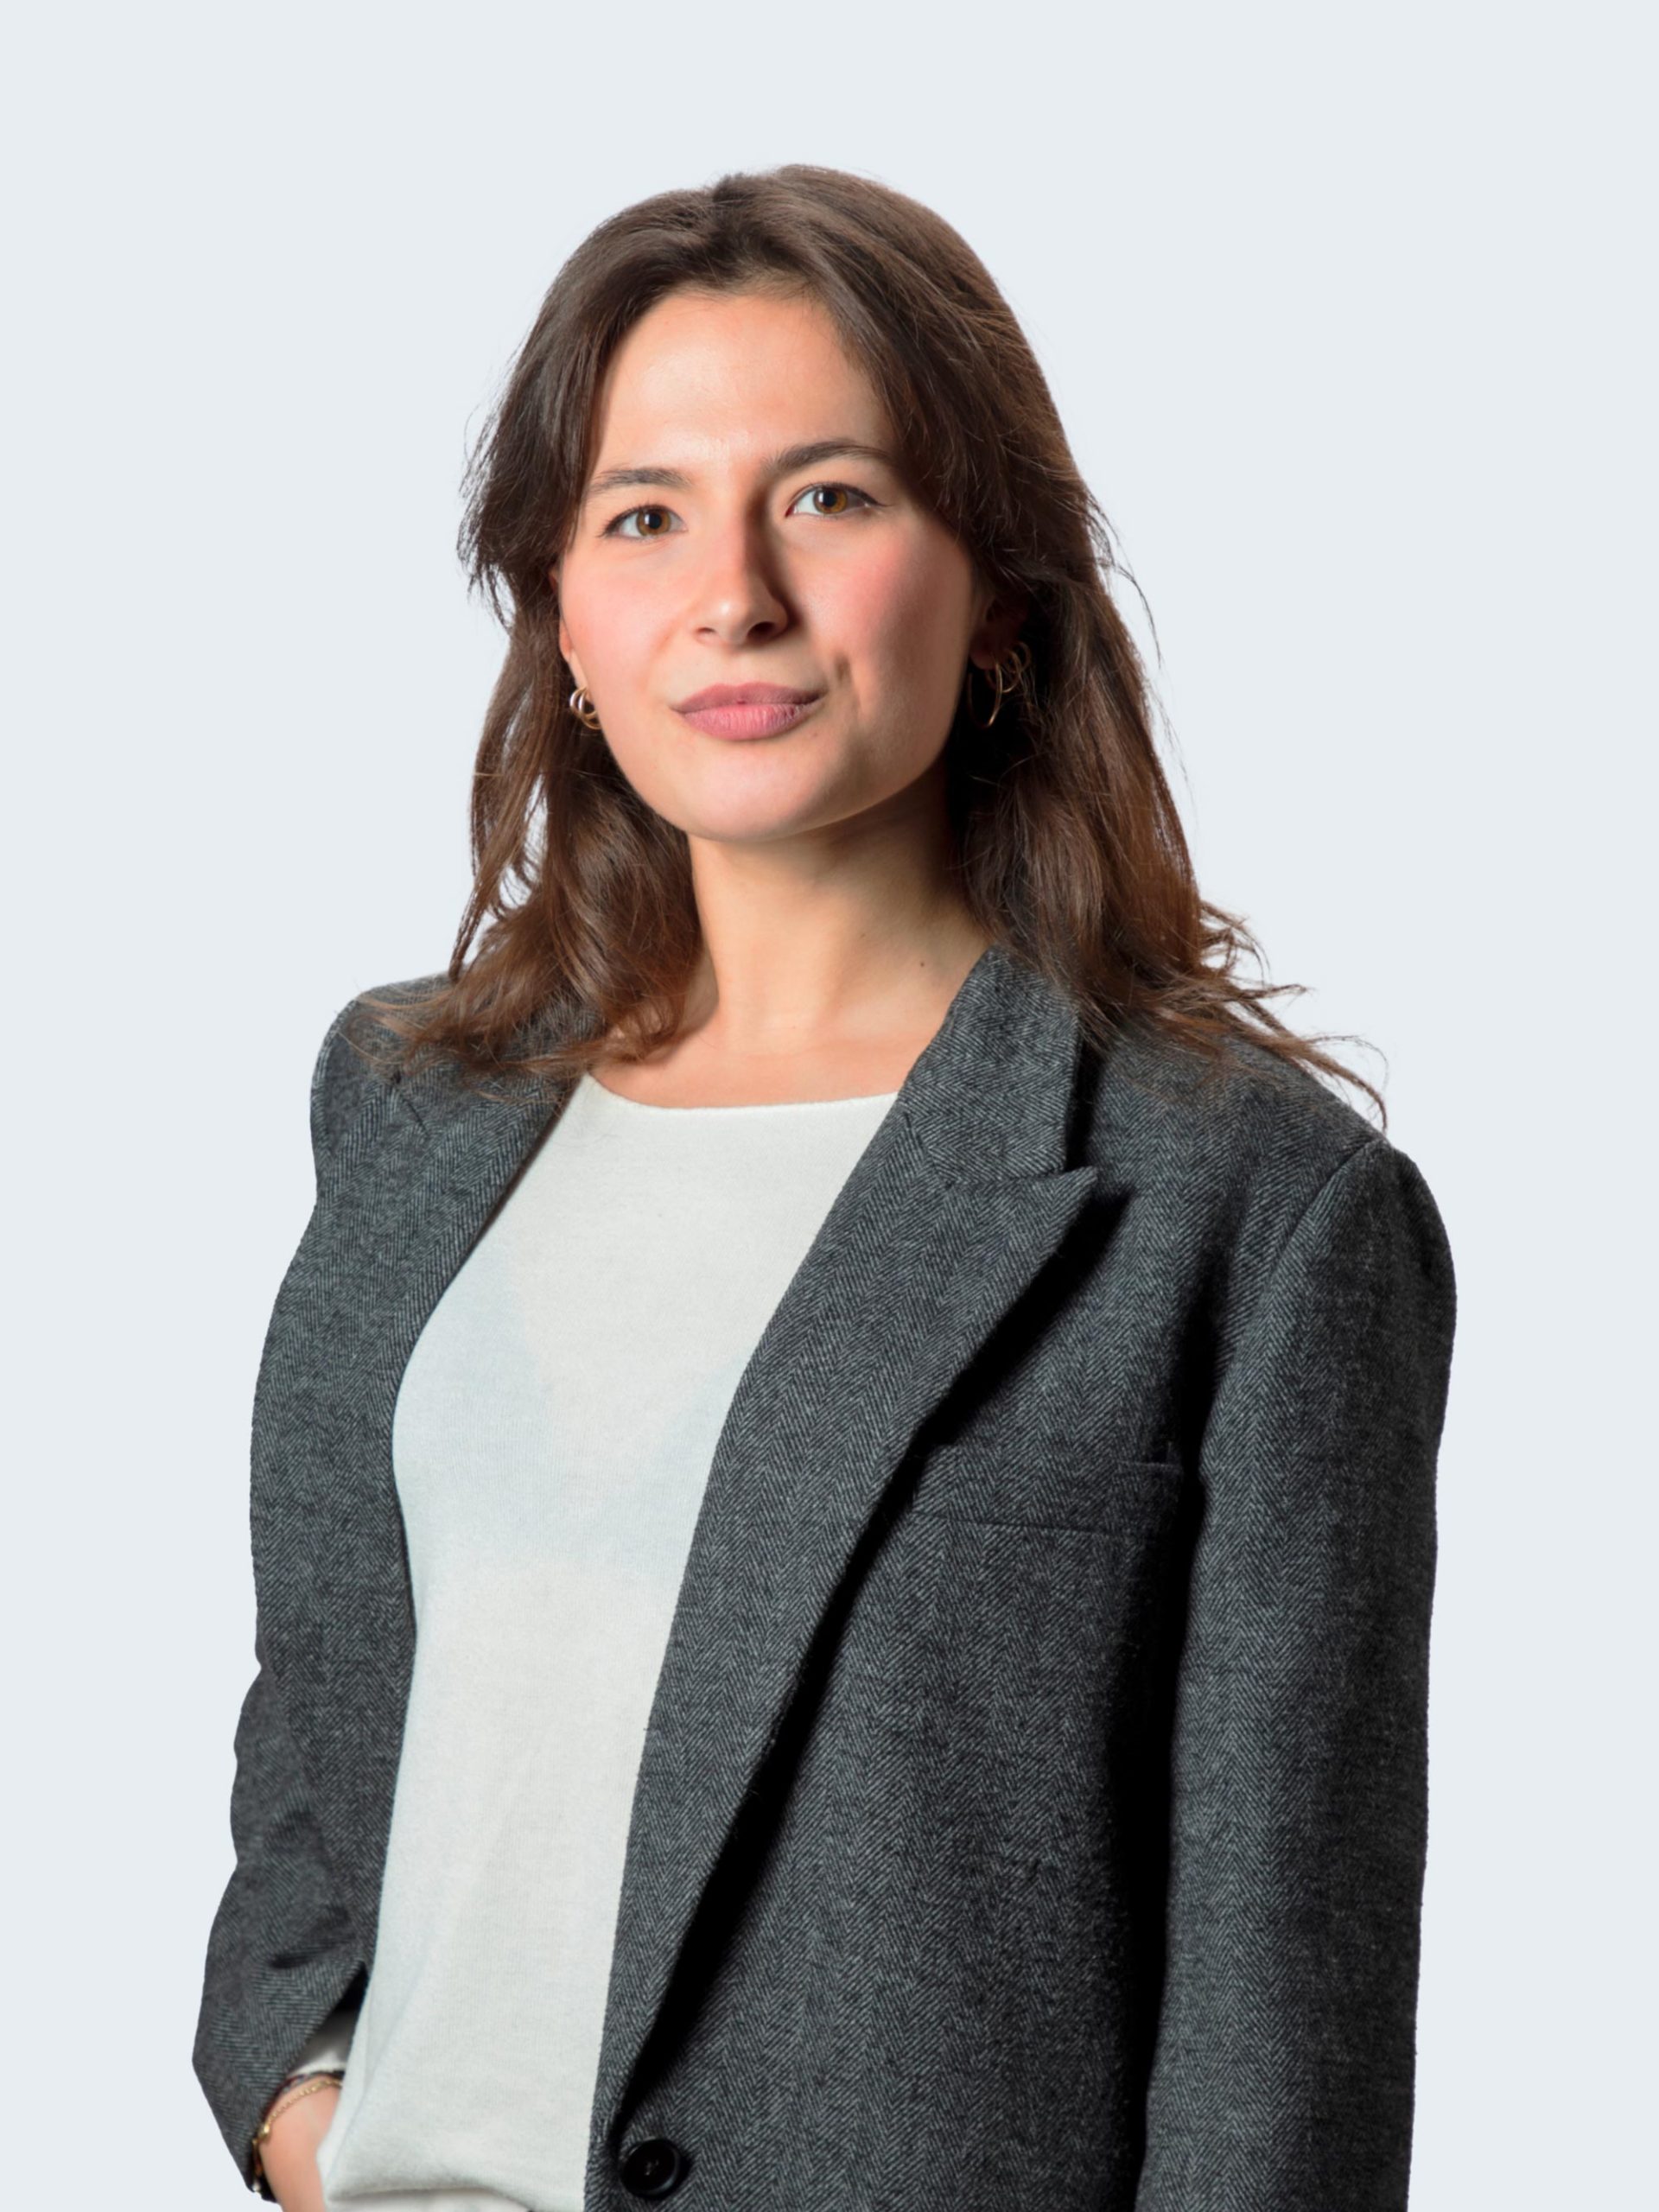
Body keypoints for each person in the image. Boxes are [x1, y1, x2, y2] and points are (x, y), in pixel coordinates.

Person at [192, 164, 1457, 2212]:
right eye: (645, 514)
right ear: (564, 617)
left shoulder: (1249, 1211)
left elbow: (1277, 2062)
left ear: (1000, 597)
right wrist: (306, 2104)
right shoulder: (411, 1106)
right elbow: (329, 1711)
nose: (737, 594)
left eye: (832, 496)